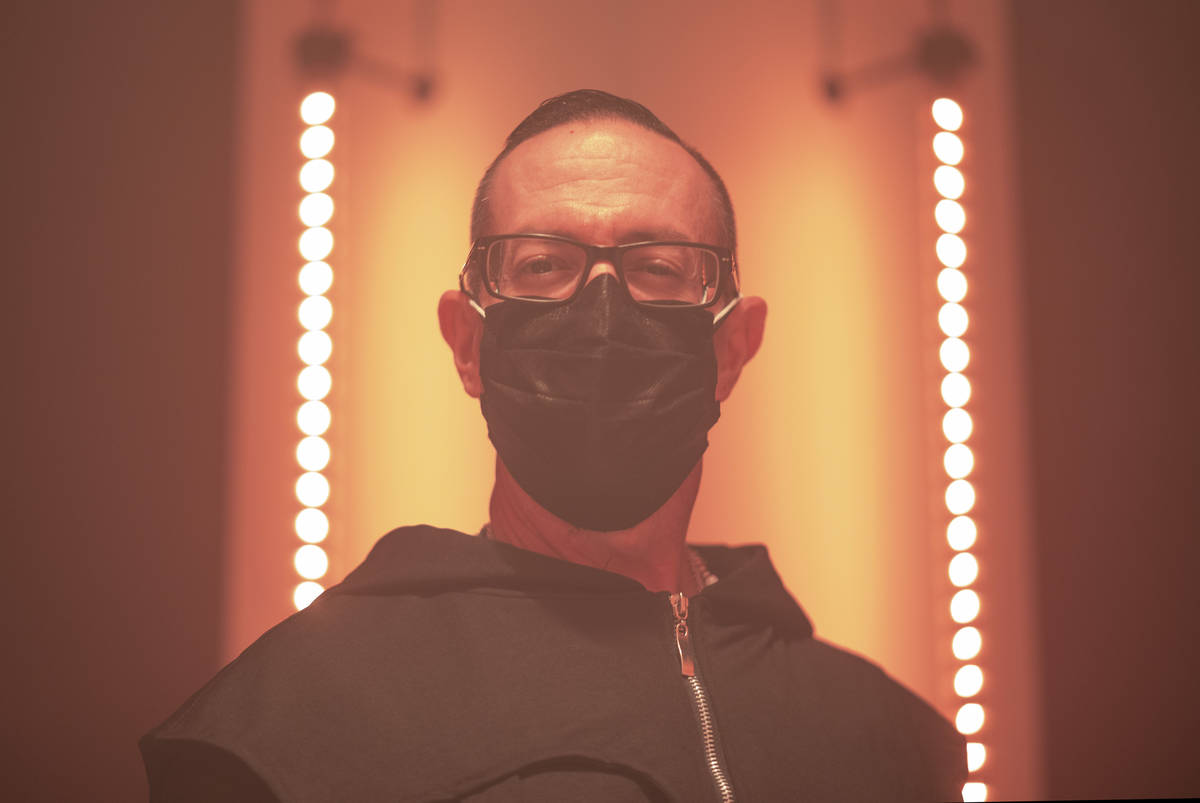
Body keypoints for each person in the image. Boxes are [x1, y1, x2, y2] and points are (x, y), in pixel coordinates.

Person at [141, 89, 966, 802]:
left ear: (731, 348)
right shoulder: (286, 727)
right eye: (542, 265)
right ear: (469, 343)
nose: (602, 308)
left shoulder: (890, 740)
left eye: (659, 266)